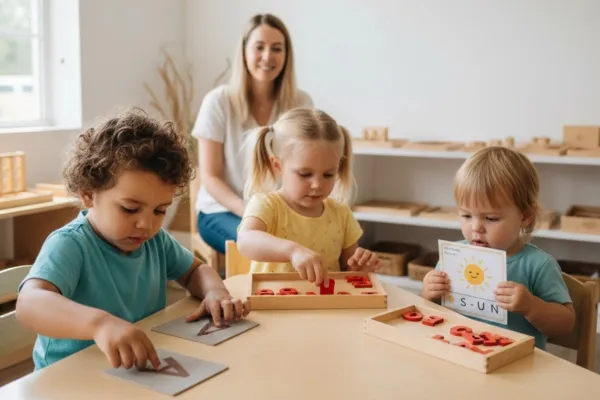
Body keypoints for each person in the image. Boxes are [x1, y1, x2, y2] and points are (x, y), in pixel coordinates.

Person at [16, 109, 250, 371]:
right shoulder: (70, 244)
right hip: (68, 377)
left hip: (132, 370)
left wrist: (215, 292)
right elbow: (29, 304)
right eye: (129, 209)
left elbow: (196, 270)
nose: (146, 224)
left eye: (160, 210)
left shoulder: (155, 241)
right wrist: (100, 324)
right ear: (88, 194)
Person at [421, 146, 574, 349]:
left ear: (525, 216)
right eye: (466, 215)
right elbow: (431, 313)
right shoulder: (453, 257)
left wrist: (531, 306)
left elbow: (565, 325)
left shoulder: (538, 264)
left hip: (517, 366)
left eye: (491, 218)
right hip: (462, 356)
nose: (476, 228)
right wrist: (428, 293)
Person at [192, 13, 313, 255]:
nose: (268, 56)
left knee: (315, 245)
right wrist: (249, 209)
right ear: (244, 52)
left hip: (278, 213)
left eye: (277, 49)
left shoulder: (301, 102)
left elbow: (306, 167)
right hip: (221, 211)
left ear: (286, 56)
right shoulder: (218, 102)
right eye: (259, 47)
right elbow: (211, 177)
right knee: (263, 248)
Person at [236, 108, 380, 286]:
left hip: (326, 306)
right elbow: (245, 240)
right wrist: (292, 251)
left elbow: (348, 270)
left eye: (328, 174)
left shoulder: (341, 213)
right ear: (277, 165)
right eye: (305, 174)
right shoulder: (267, 205)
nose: (317, 184)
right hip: (273, 307)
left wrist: (359, 269)